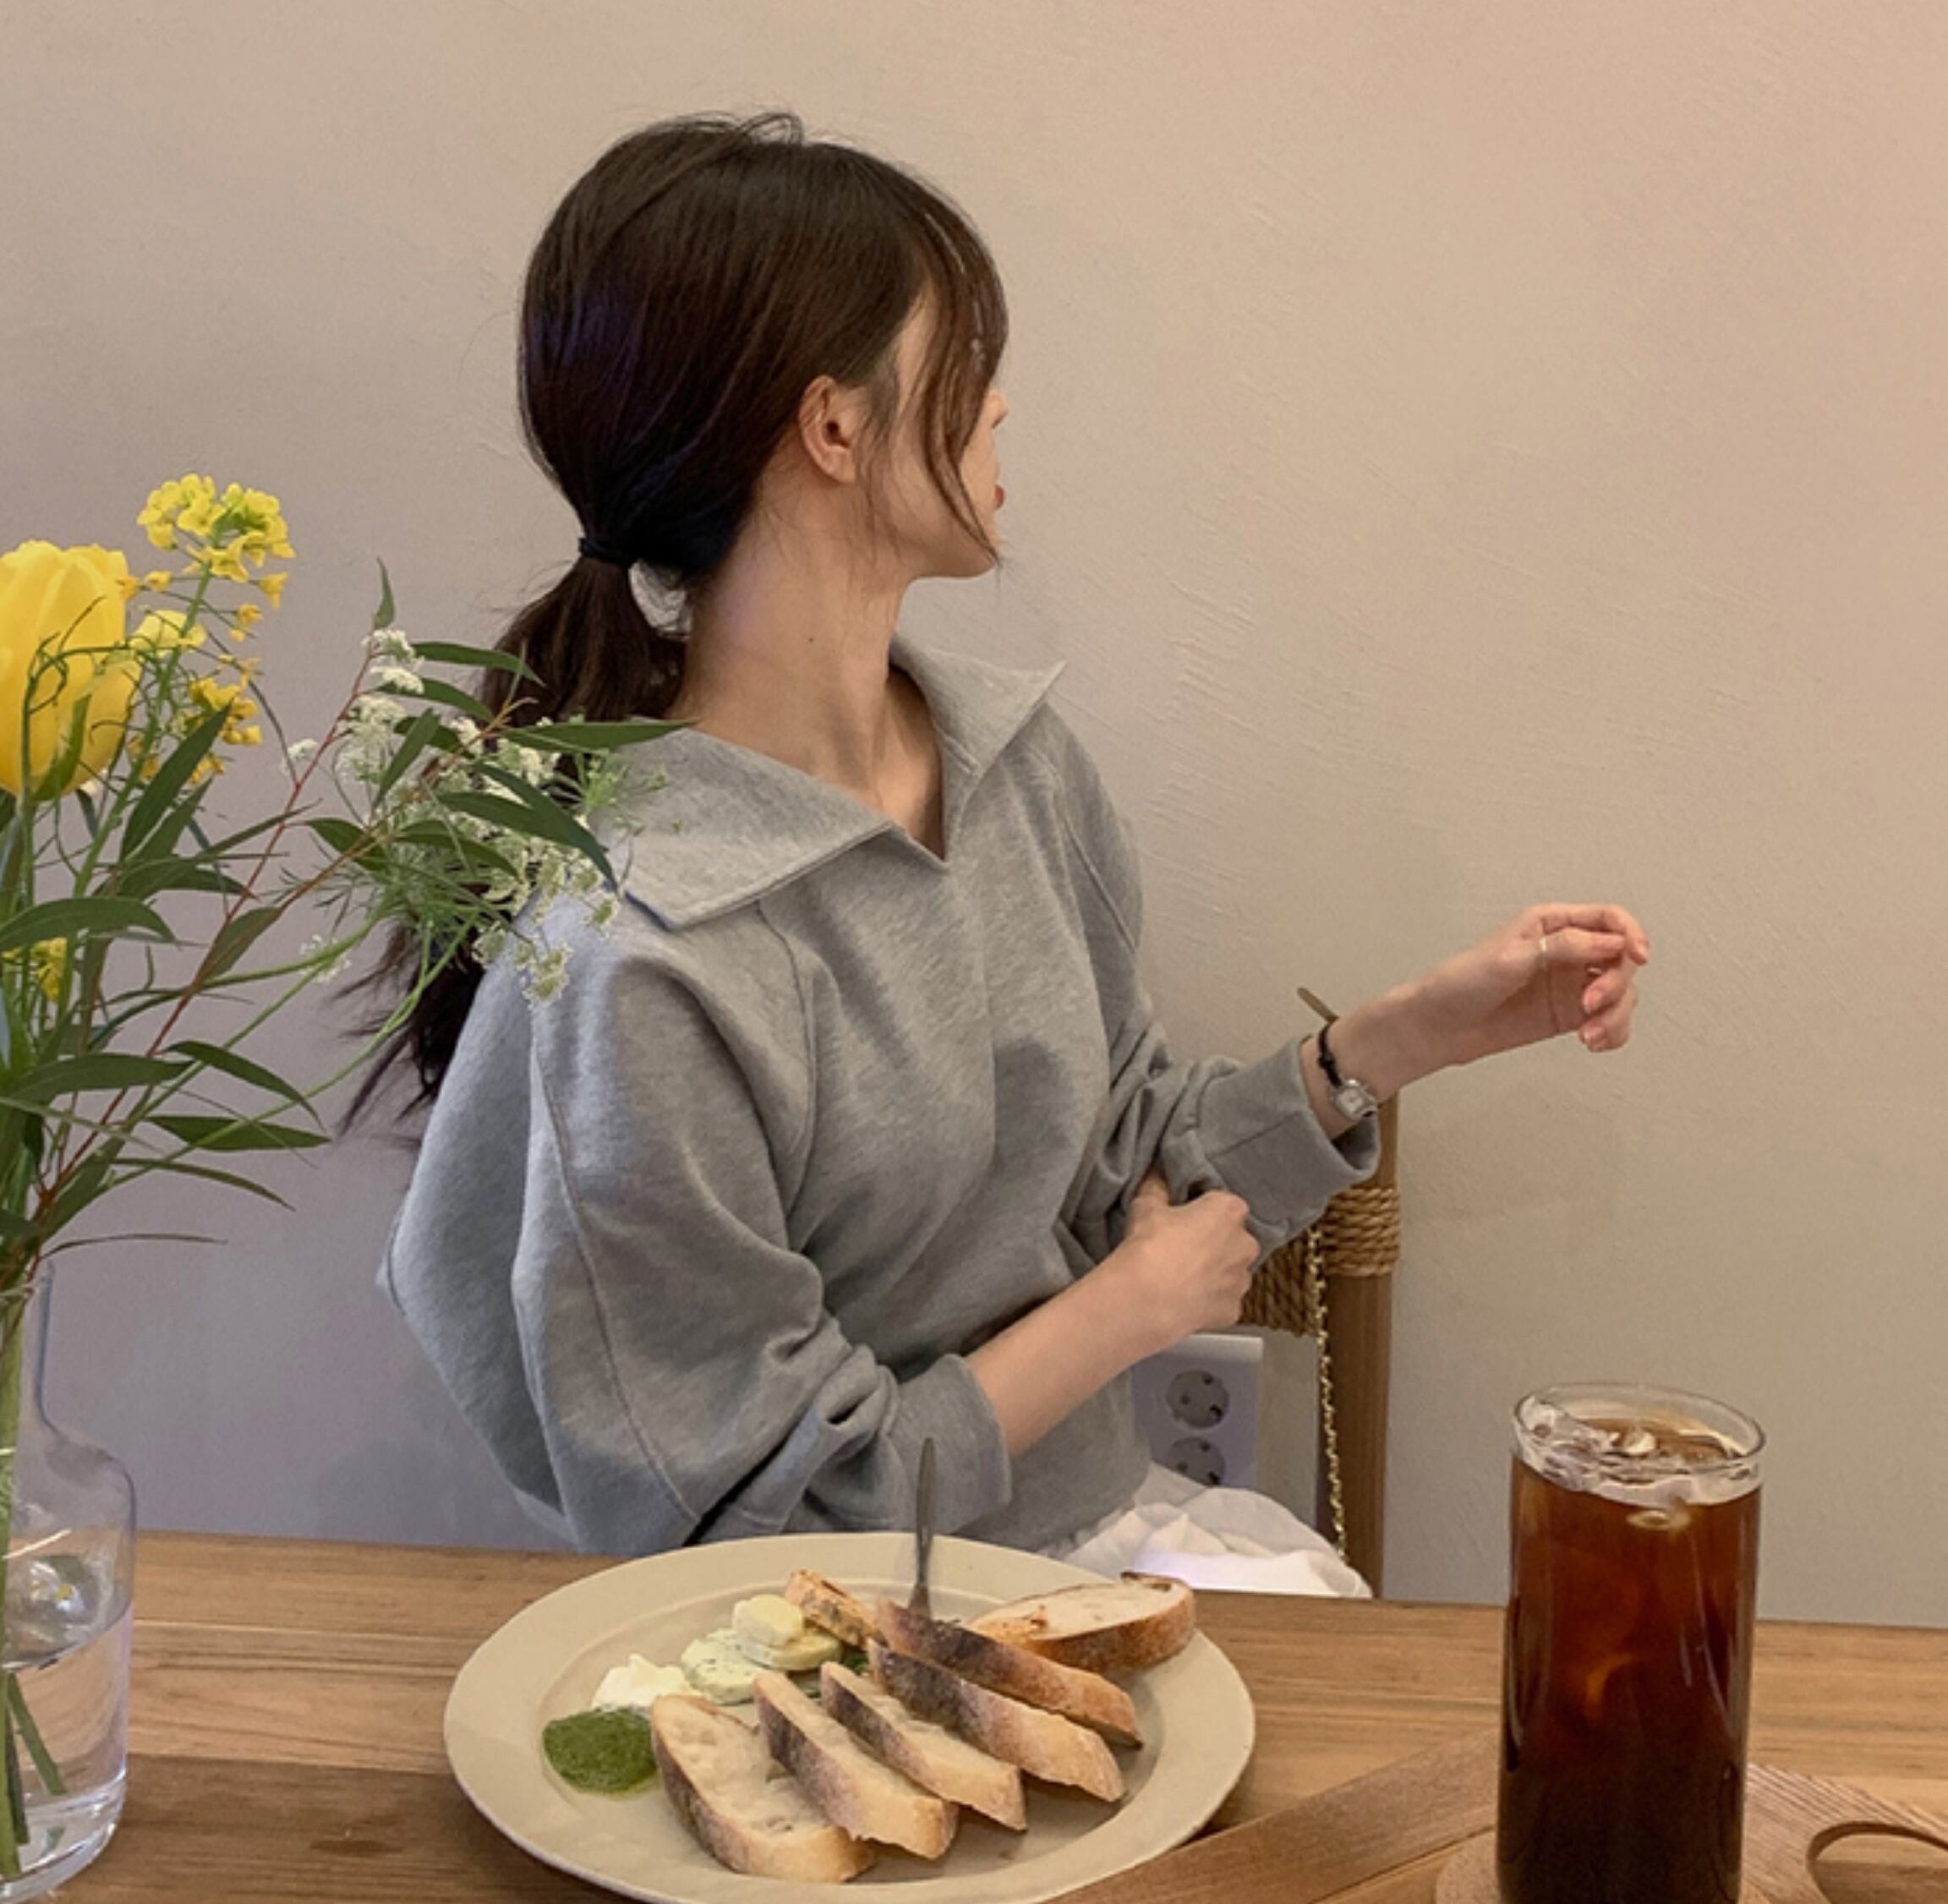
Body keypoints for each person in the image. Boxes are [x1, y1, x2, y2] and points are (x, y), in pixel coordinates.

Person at [373, 112, 1649, 1562]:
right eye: (963, 359)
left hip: (1095, 1560)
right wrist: (1122, 1316)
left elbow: (1129, 1167)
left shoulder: (1016, 766)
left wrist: (1408, 1035)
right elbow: (758, 1519)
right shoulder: (643, 951)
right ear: (833, 427)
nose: (997, 407)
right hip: (817, 1640)